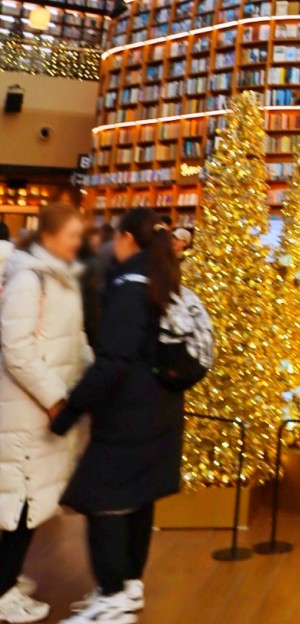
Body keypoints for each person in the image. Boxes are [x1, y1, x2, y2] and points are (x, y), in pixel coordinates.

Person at [51, 209, 184, 624]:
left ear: (126, 239)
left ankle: (112, 599)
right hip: (161, 409)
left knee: (102, 500)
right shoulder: (165, 281)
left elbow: (113, 363)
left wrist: (69, 411)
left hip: (128, 416)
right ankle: (128, 586)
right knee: (137, 499)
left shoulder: (130, 288)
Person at [0, 204, 89, 624]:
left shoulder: (61, 278)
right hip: (27, 411)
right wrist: (56, 398)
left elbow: (74, 339)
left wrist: (93, 375)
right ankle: (2, 592)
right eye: (72, 235)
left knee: (27, 504)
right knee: (18, 504)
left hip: (43, 412)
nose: (79, 243)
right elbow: (16, 349)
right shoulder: (28, 278)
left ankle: (7, 579)